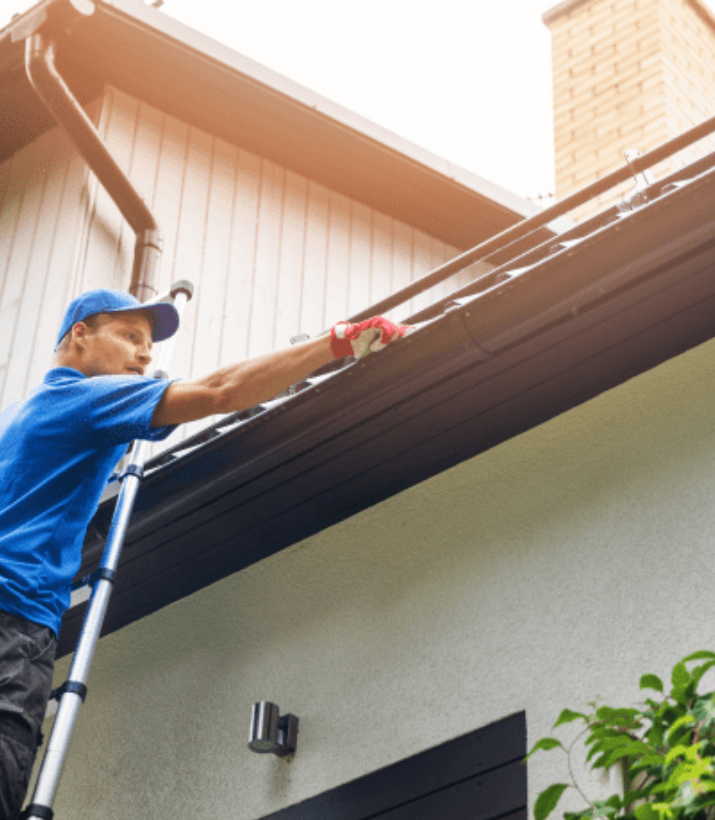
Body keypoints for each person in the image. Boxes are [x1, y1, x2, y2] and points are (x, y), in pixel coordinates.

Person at [0, 287, 411, 819]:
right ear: (80, 335)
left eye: (148, 344)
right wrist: (337, 342)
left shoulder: (22, 415)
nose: (145, 355)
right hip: (15, 627)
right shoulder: (85, 399)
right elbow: (220, 390)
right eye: (130, 337)